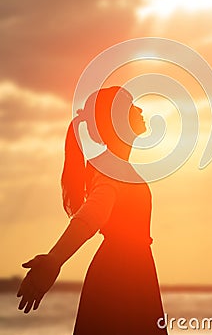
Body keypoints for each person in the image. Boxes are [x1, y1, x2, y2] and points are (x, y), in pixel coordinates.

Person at [17, 86, 168, 335]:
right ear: (117, 120)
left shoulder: (117, 167)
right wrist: (55, 259)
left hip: (132, 272)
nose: (140, 110)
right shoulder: (110, 169)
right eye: (131, 106)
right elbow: (91, 216)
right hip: (121, 277)